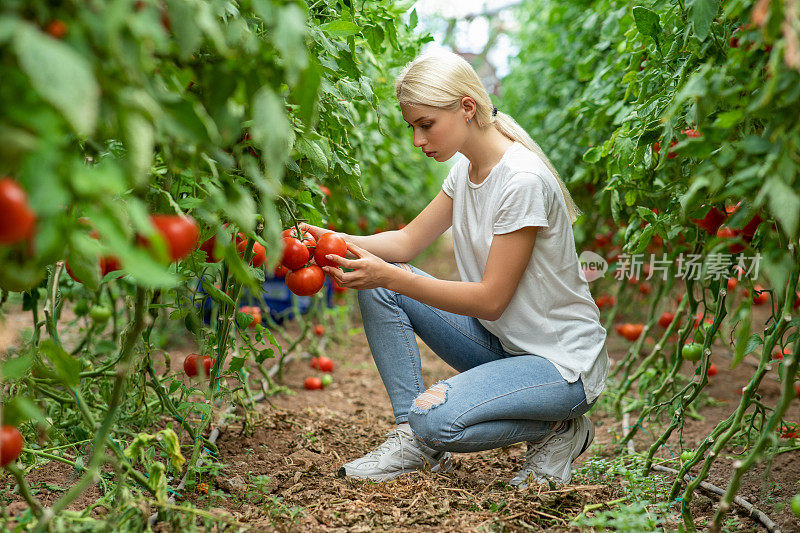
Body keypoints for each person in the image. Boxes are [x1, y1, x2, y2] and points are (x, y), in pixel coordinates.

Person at [300, 51, 609, 487]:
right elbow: (407, 241)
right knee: (380, 284)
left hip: (560, 366)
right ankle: (412, 440)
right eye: (413, 127)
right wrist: (329, 242)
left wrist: (390, 274)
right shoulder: (466, 169)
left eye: (425, 125)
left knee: (436, 420)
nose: (417, 140)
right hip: (505, 343)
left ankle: (558, 427)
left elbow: (491, 298)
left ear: (467, 107)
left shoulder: (521, 181)